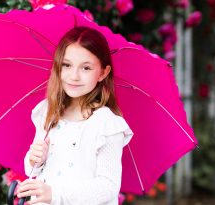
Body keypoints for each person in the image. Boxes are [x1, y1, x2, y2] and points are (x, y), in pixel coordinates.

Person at [16, 26, 133, 205]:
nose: (74, 76)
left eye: (86, 68)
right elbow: (34, 169)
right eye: (67, 65)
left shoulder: (106, 124)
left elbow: (108, 186)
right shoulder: (48, 112)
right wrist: (34, 160)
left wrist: (55, 195)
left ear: (103, 72)